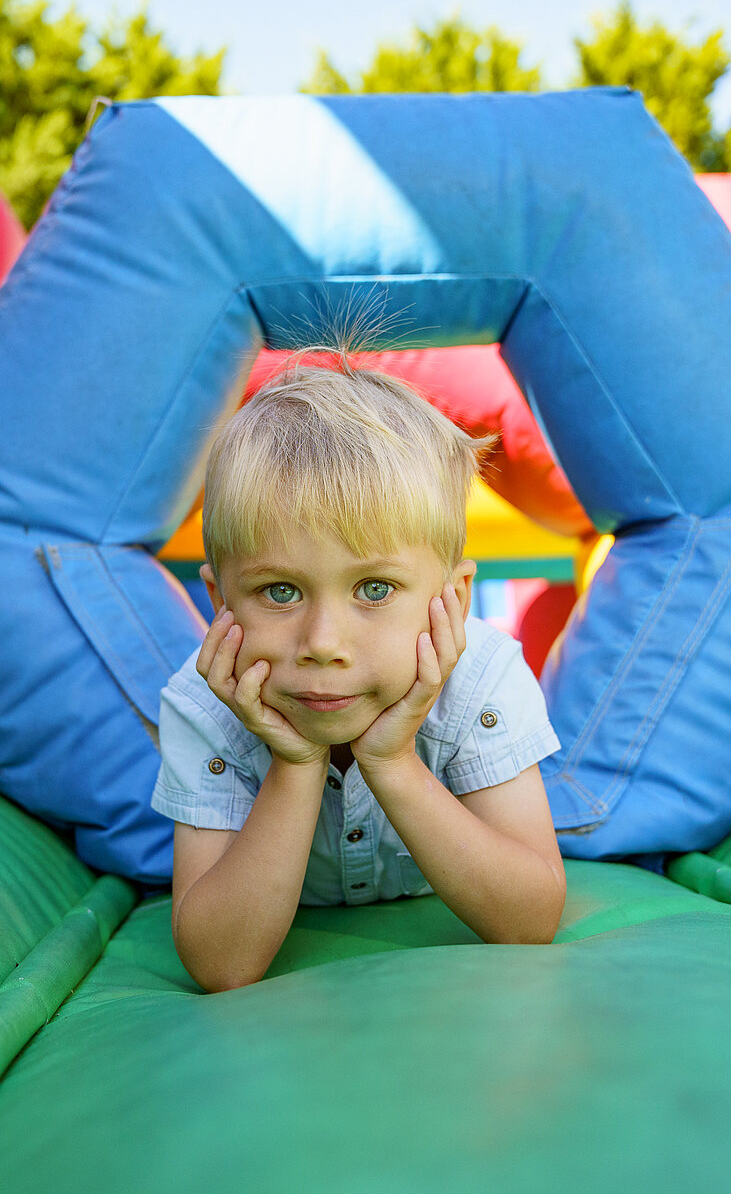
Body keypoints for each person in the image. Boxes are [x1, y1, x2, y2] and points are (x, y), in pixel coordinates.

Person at [151, 349, 568, 992]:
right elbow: (220, 965)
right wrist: (294, 764)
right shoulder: (206, 703)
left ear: (453, 599)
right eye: (280, 592)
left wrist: (393, 761)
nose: (322, 643)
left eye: (374, 589)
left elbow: (531, 917)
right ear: (220, 602)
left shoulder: (480, 677)